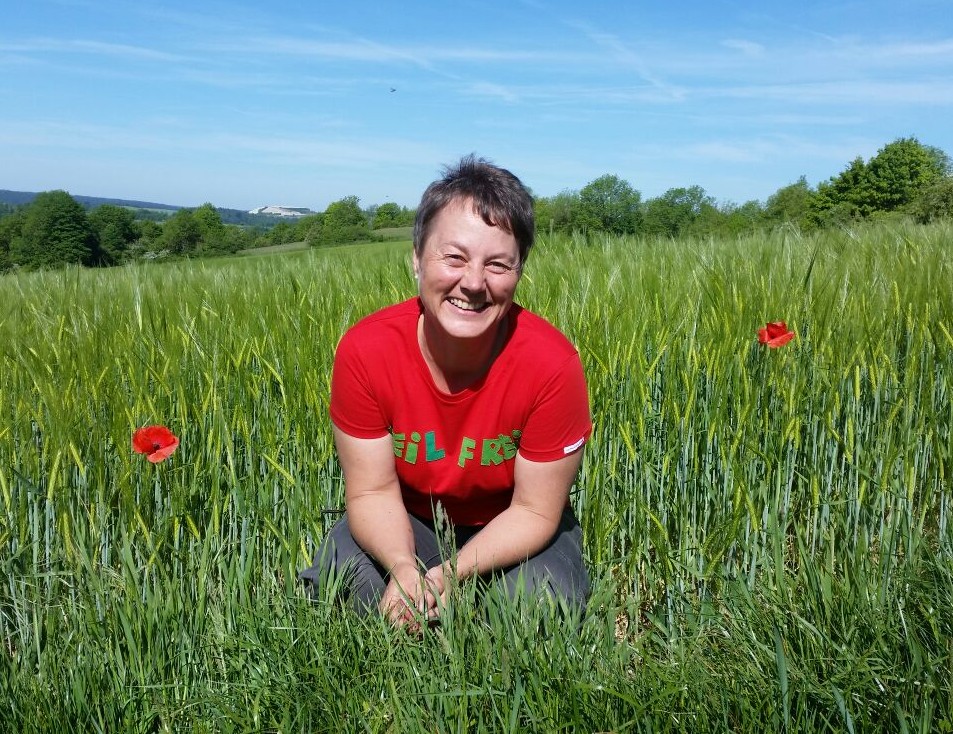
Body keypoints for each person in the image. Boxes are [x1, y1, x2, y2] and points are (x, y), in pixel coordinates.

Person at [300, 154, 592, 628]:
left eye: (498, 264)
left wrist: (450, 575)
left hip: (510, 526)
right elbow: (372, 491)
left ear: (519, 271)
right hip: (409, 518)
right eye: (454, 257)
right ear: (417, 257)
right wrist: (402, 568)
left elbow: (536, 510)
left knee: (542, 606)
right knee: (344, 587)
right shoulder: (365, 350)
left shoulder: (552, 365)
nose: (473, 283)